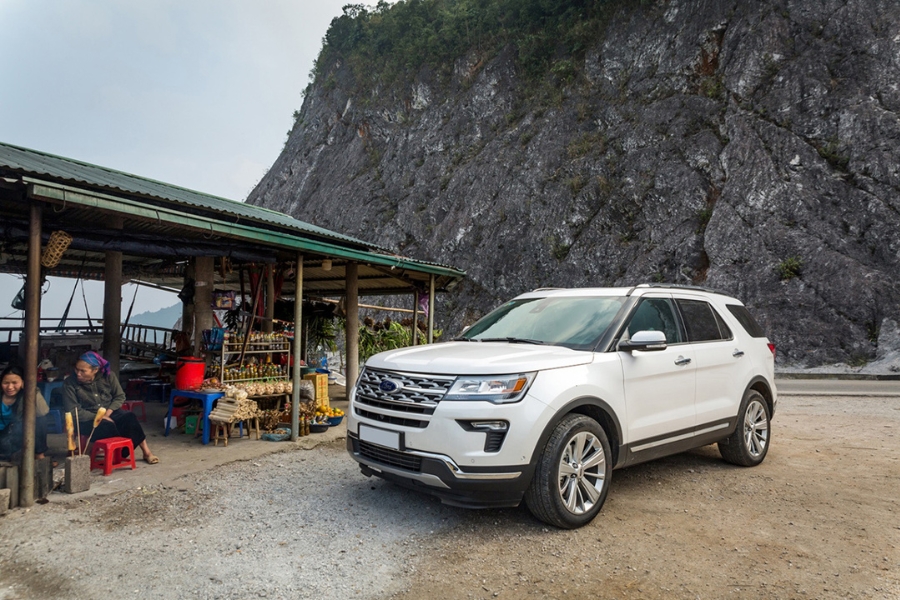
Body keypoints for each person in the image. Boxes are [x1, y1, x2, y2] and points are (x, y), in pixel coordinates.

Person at [63, 351, 159, 464]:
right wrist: (99, 417)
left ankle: (146, 452)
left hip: (109, 411)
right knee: (105, 425)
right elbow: (72, 410)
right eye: (77, 369)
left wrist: (108, 413)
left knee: (130, 417)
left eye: (83, 371)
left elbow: (120, 396)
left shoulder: (108, 376)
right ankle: (103, 452)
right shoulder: (70, 383)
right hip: (86, 418)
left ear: (95, 370)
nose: (78, 374)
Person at [0, 365, 50, 461]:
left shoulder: (26, 396)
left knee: (40, 420)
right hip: (2, 438)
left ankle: (39, 456)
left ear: (23, 382)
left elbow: (42, 411)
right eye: (6, 383)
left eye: (14, 383)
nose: (10, 387)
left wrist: (30, 389)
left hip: (17, 436)